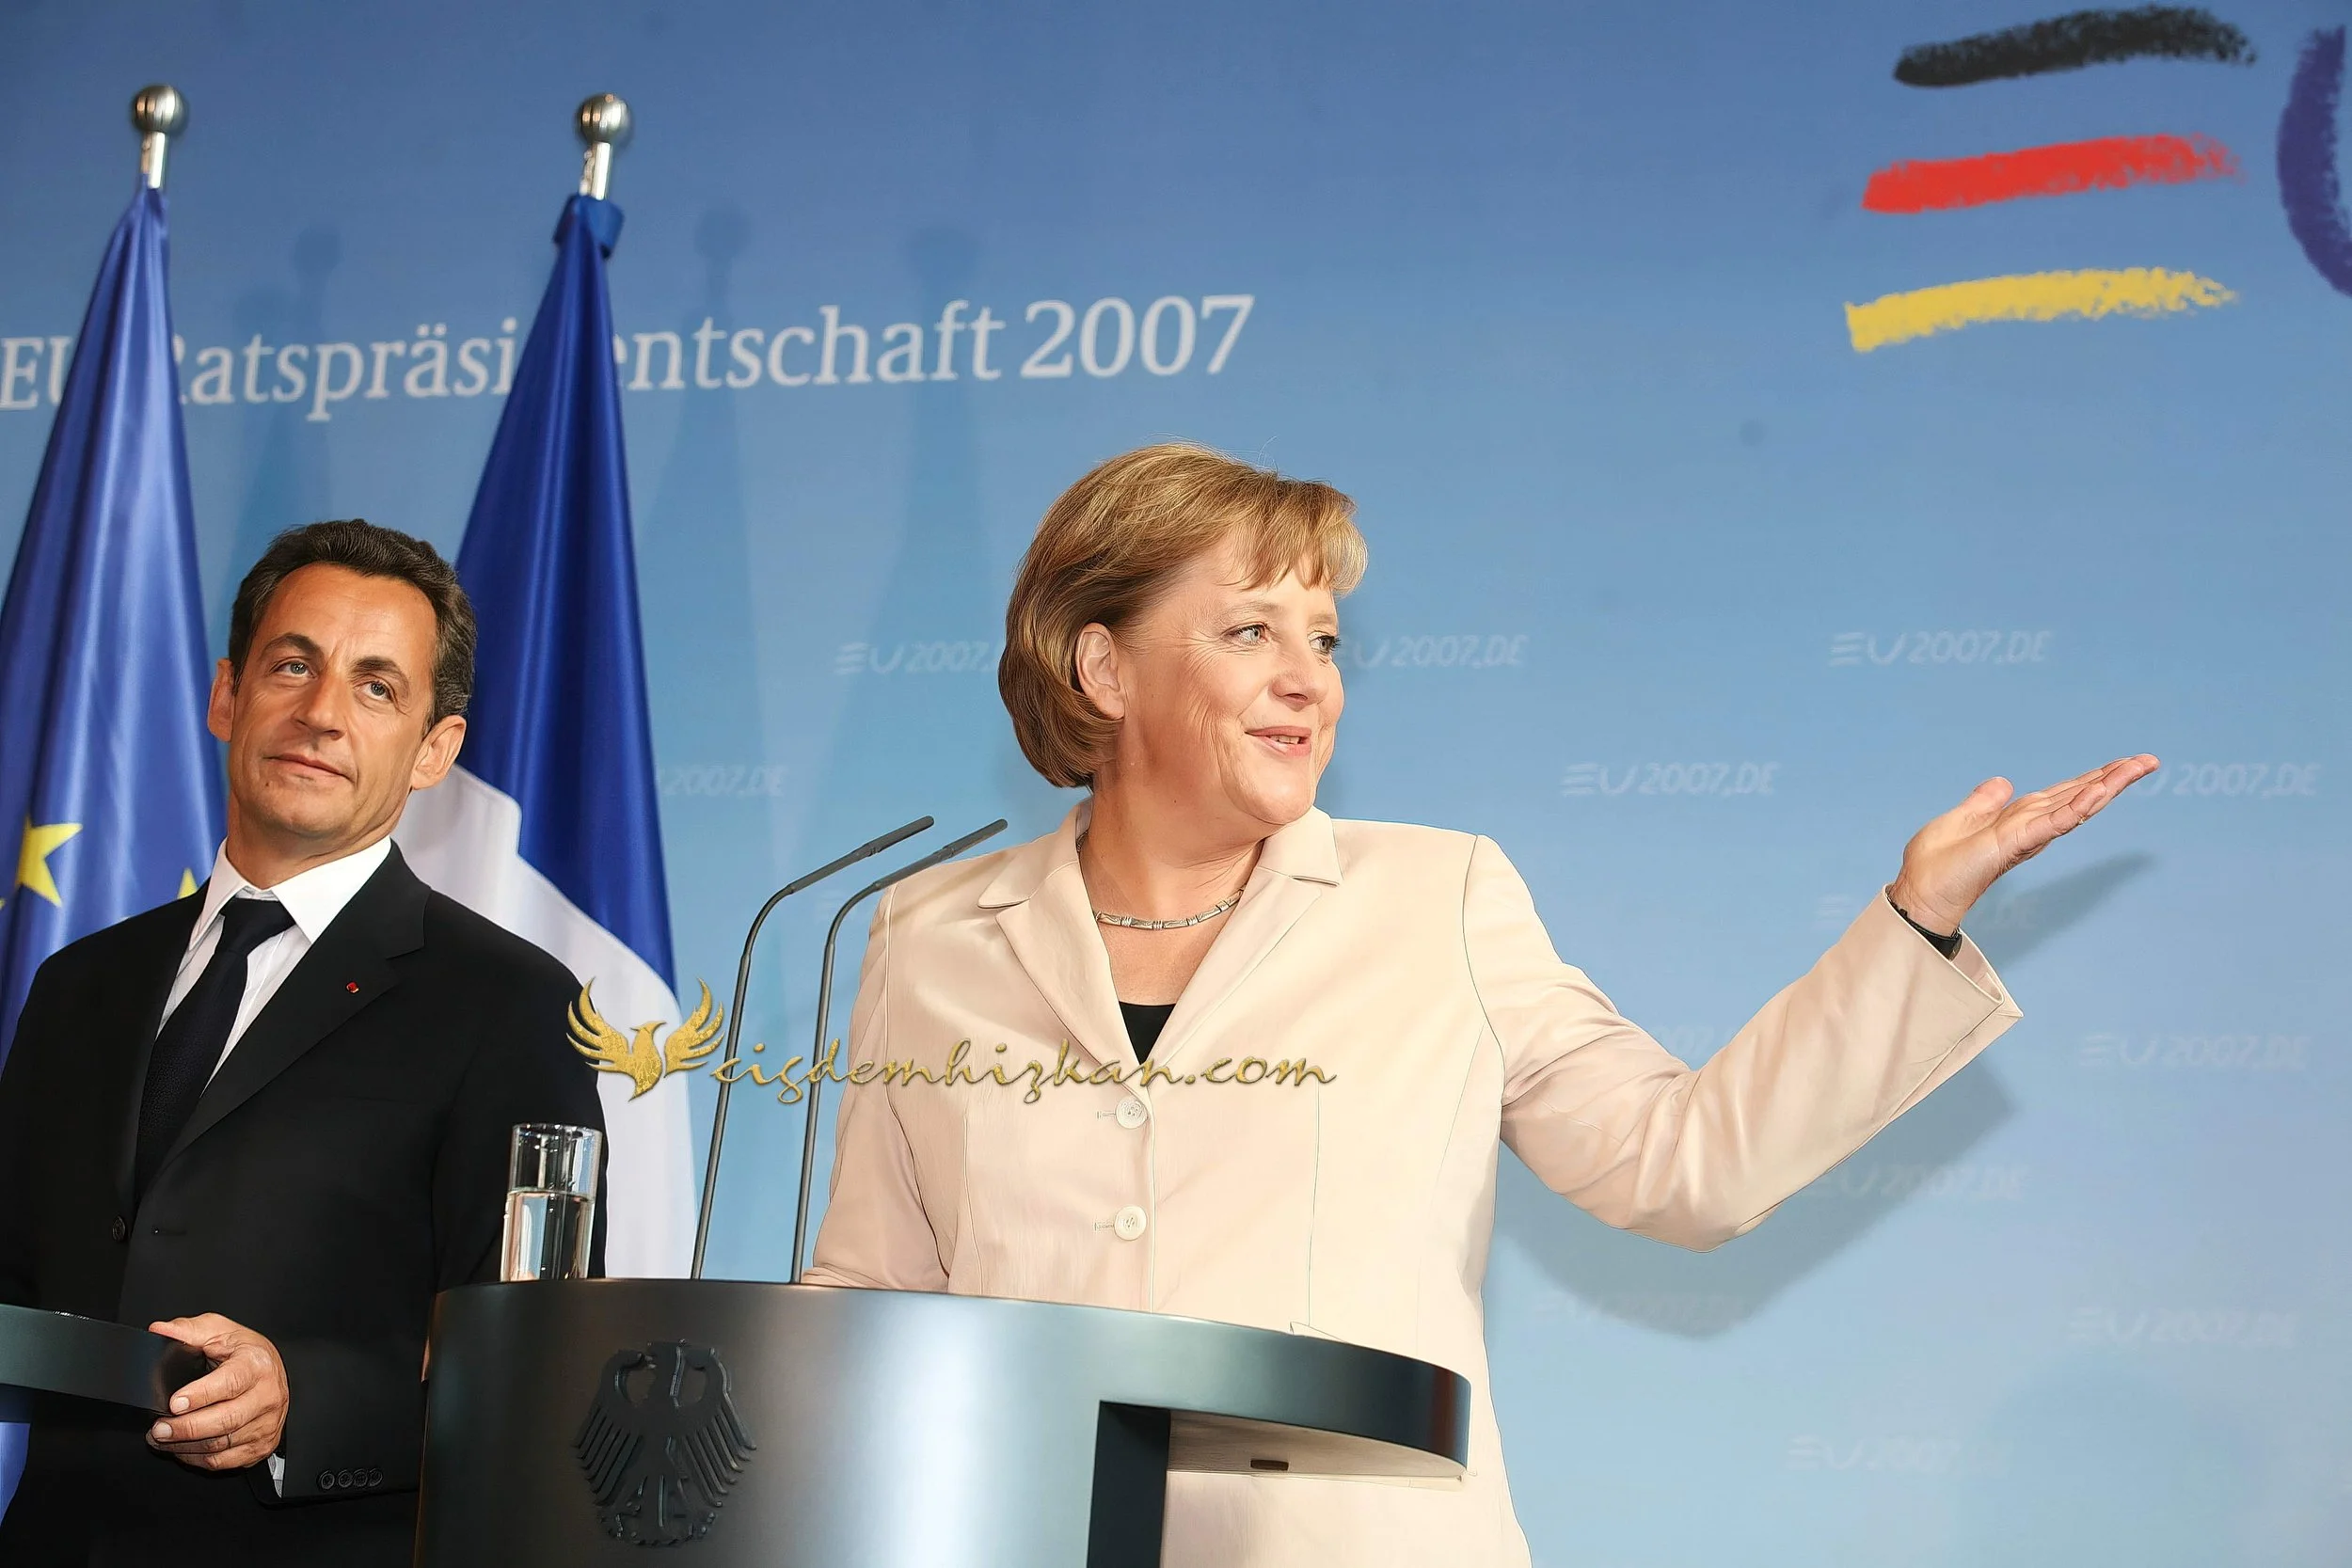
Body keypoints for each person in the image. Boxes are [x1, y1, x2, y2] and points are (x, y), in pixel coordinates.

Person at [806, 443, 2157, 1567]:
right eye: (1250, 629)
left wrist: (1915, 918)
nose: (1308, 678)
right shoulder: (929, 934)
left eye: (1323, 639)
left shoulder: (1436, 896)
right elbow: (872, 1295)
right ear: (1102, 670)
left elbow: (1685, 1163)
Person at [0, 521, 604, 1567]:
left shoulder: (511, 1003)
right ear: (226, 695)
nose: (321, 712)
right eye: (293, 664)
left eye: (376, 686)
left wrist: (303, 1397)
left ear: (434, 750)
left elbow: (533, 1353)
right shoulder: (78, 982)